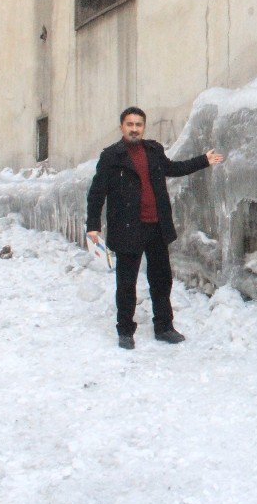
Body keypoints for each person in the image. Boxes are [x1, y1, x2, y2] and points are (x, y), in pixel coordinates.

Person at [86, 106, 224, 350]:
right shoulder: (111, 156)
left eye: (139, 124)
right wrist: (93, 226)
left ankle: (164, 327)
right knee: (126, 282)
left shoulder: (153, 150)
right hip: (128, 228)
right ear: (122, 127)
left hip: (156, 226)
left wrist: (204, 160)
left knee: (161, 280)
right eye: (130, 124)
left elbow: (174, 168)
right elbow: (97, 193)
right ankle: (125, 330)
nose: (134, 129)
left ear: (144, 127)